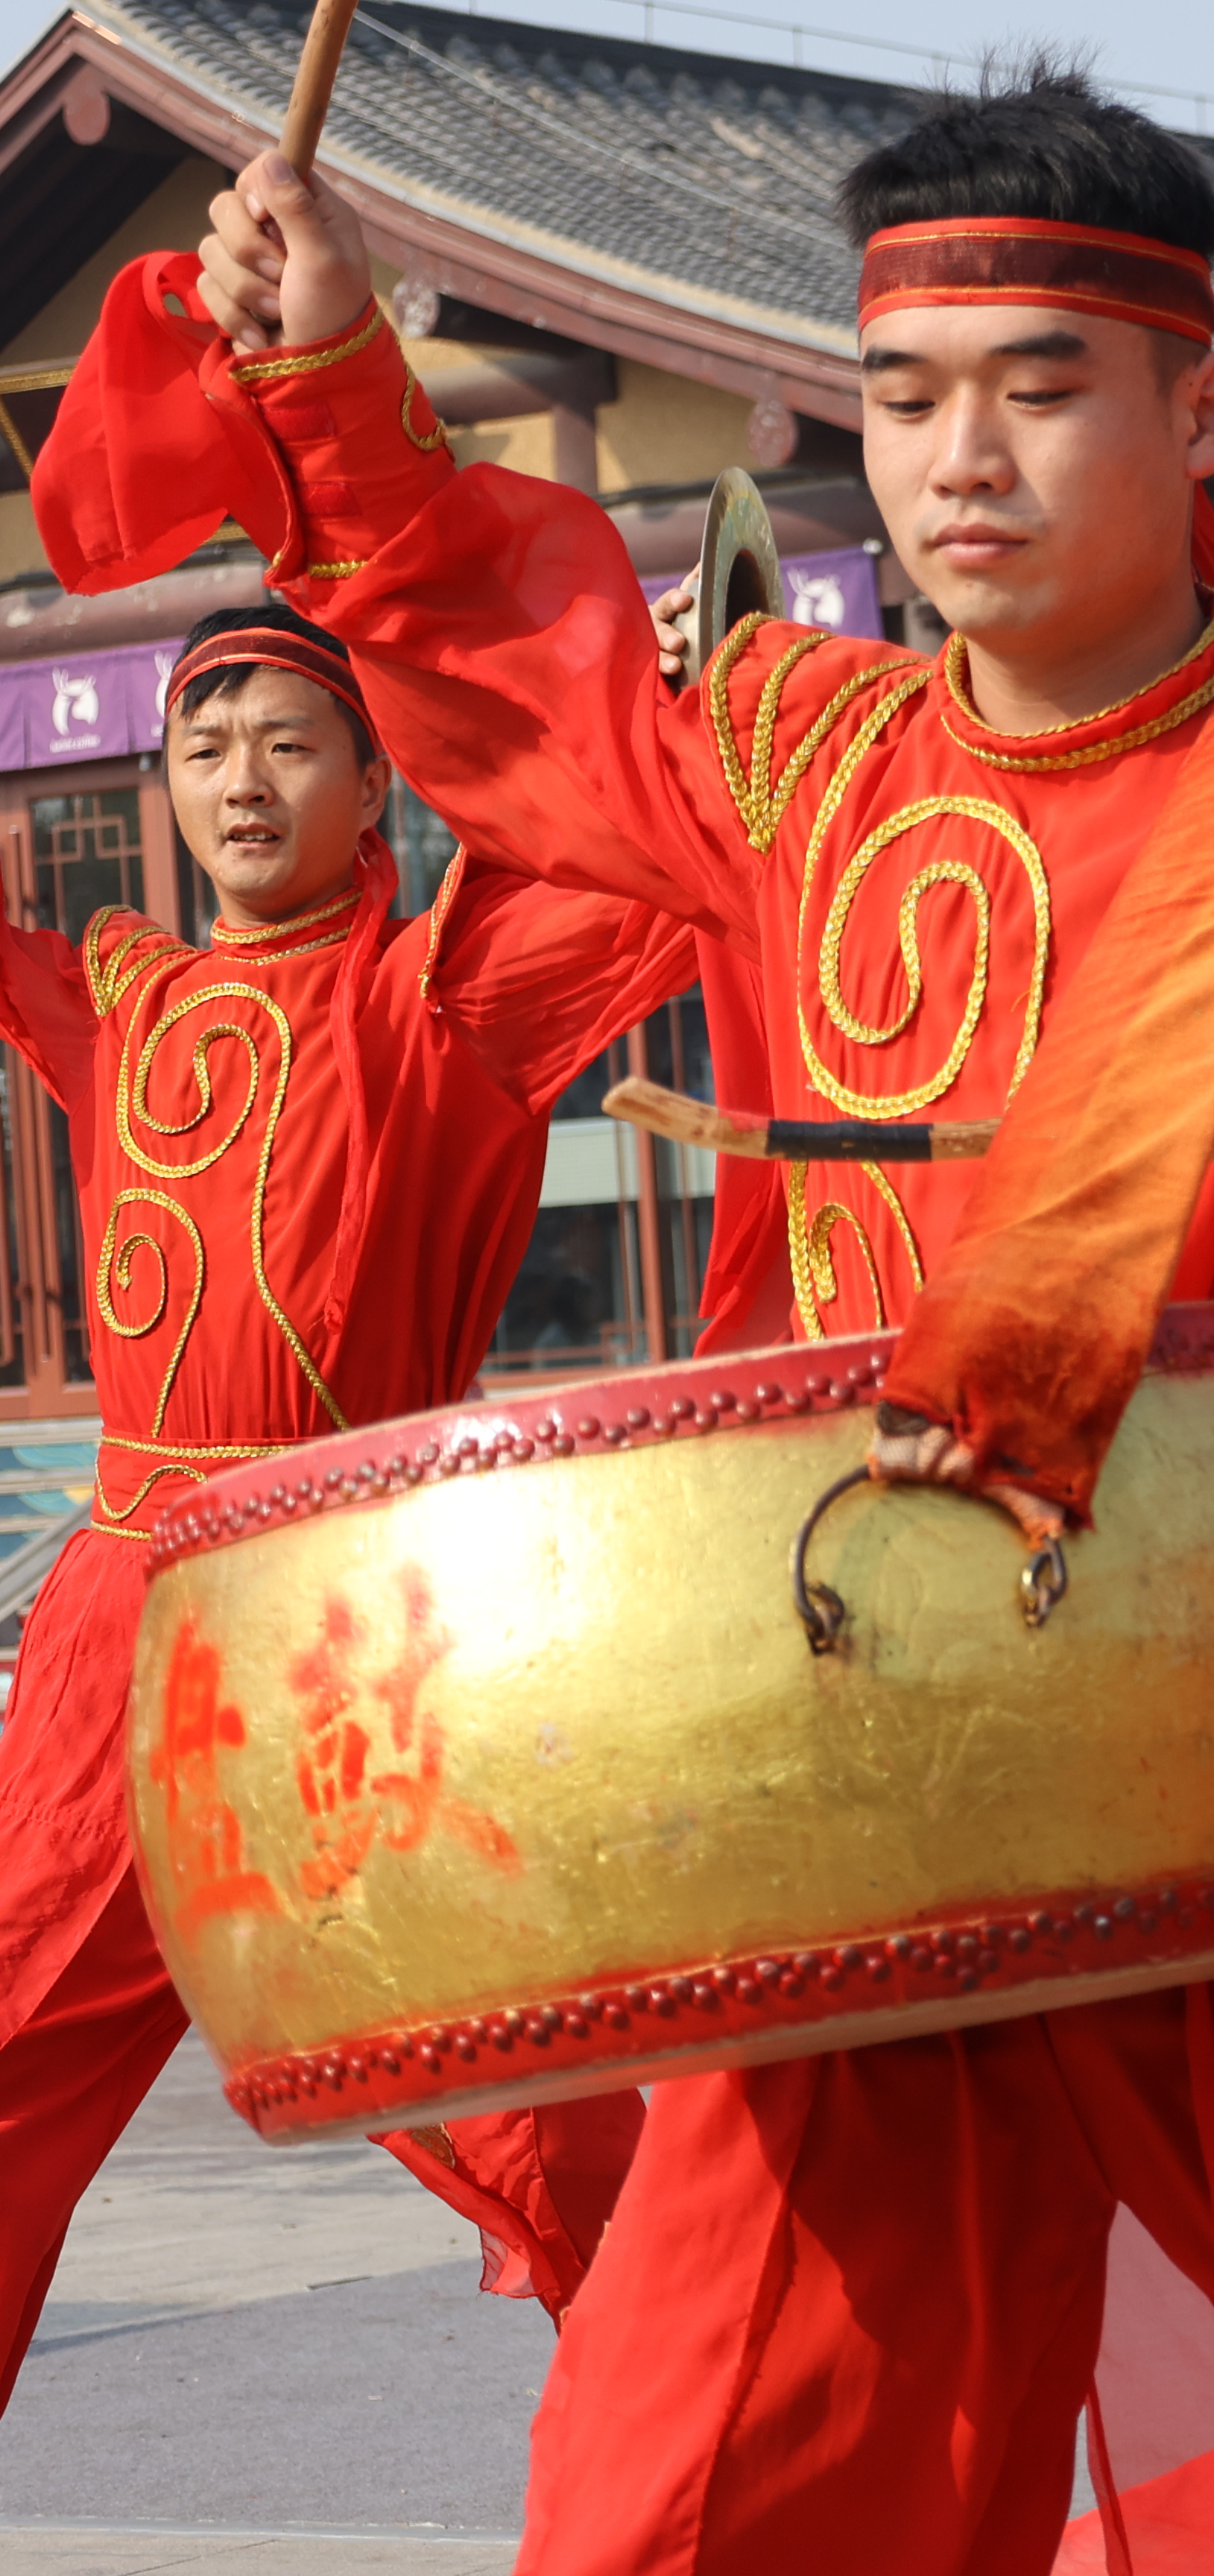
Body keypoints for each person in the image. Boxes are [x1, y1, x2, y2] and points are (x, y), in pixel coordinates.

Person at [109, 63, 1214, 2568]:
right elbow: (514, 659)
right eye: (909, 399)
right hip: (853, 1732)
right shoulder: (787, 762)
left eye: (1043, 391)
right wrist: (334, 376)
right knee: (699, 2464)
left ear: (1205, 408)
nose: (965, 461)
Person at [0, 602, 690, 2394]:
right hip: (118, 1631)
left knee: (521, 2092)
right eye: (207, 746)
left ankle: (725, 2464)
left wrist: (663, 685)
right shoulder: (119, 1005)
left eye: (291, 742)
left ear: (377, 780)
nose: (243, 779)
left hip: (340, 1632)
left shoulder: (441, 994)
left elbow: (637, 852)